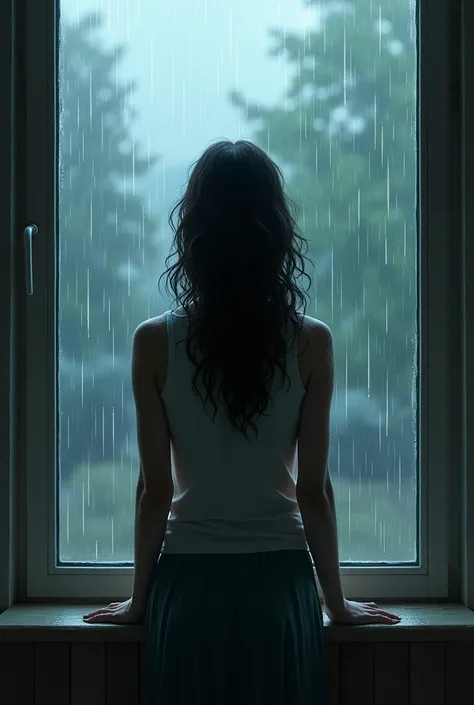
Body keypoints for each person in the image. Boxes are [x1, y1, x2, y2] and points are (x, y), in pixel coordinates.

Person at [83, 140, 401, 704]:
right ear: (275, 232)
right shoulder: (311, 342)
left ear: (194, 234)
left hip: (188, 590)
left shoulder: (154, 342)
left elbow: (155, 491)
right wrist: (336, 603)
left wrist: (138, 602)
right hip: (278, 589)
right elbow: (313, 492)